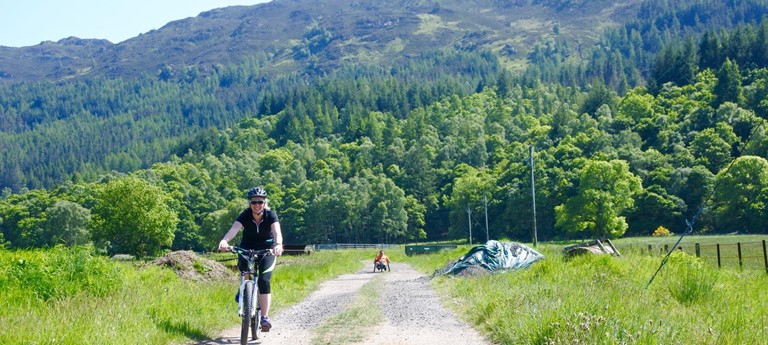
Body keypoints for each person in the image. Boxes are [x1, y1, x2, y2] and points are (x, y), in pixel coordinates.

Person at [219, 187, 284, 332]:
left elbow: (277, 232)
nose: (257, 205)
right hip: (247, 247)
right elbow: (234, 230)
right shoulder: (245, 215)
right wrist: (224, 241)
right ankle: (244, 290)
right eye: (254, 202)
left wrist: (278, 245)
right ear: (250, 203)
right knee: (244, 269)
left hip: (267, 249)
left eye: (260, 202)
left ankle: (265, 317)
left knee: (264, 280)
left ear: (264, 202)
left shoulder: (270, 215)